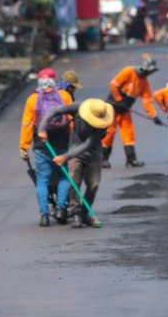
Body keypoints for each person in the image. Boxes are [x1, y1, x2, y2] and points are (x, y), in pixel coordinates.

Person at [41, 98, 114, 228]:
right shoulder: (79, 108)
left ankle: (84, 213)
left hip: (94, 154)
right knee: (74, 183)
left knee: (93, 185)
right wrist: (42, 128)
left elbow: (88, 144)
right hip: (75, 153)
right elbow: (54, 110)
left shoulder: (103, 125)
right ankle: (75, 213)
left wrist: (65, 156)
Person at [20, 68, 73, 226]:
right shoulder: (64, 95)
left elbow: (27, 124)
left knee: (42, 180)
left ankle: (44, 215)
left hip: (41, 143)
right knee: (64, 176)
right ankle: (61, 209)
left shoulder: (32, 99)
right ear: (54, 79)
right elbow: (71, 119)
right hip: (62, 142)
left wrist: (23, 146)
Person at [102, 55, 162, 168]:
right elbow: (114, 84)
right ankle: (102, 158)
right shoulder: (128, 71)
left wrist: (154, 116)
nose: (150, 74)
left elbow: (147, 100)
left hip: (125, 110)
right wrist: (119, 100)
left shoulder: (144, 82)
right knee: (109, 133)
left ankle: (131, 160)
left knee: (128, 133)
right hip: (113, 107)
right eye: (149, 71)